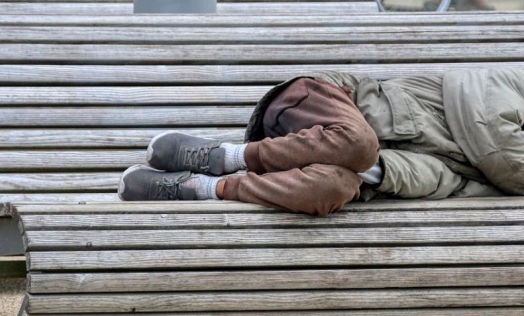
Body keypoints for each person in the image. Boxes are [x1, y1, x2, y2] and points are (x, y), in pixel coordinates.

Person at [118, 69, 524, 216]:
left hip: (342, 161)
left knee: (335, 188)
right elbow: (492, 129)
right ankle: (226, 156)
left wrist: (376, 175)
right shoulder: (509, 88)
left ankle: (201, 187)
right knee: (359, 143)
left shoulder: (492, 173)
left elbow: (438, 180)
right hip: (318, 104)